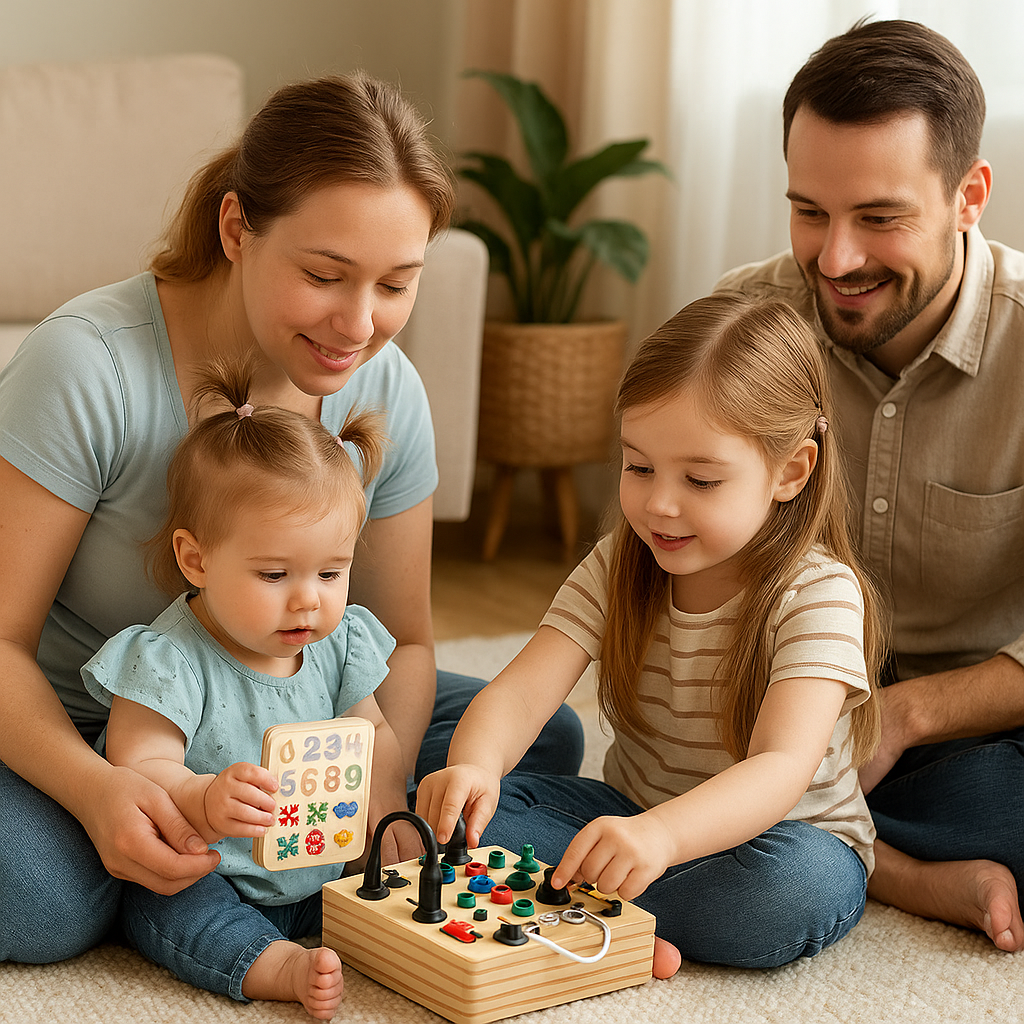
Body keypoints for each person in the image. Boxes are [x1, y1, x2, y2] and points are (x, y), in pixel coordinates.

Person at [0, 71, 582, 965]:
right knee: (40, 904)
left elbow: (404, 639)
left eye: (396, 284)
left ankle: (200, 873)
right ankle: (175, 867)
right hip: (87, 720)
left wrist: (382, 786)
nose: (358, 325)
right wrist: (96, 791)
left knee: (546, 735)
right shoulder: (88, 368)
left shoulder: (386, 390)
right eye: (323, 275)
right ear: (237, 228)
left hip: (292, 708)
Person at [417, 293, 884, 976]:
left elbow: (780, 768)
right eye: (639, 467)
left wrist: (664, 837)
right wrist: (476, 767)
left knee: (788, 893)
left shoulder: (820, 593)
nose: (659, 504)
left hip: (777, 840)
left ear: (791, 471)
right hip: (631, 813)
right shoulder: (619, 562)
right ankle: (622, 917)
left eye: (701, 479)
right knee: (460, 811)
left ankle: (597, 909)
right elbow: (520, 694)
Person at [716, 18, 1024, 952]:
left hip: (978, 726)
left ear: (969, 196)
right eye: (810, 212)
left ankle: (809, 825)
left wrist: (910, 713)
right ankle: (896, 865)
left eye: (880, 219)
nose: (837, 259)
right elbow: (666, 563)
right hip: (779, 710)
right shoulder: (737, 330)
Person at [83, 361, 401, 1017]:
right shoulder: (167, 659)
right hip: (213, 869)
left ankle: (370, 934)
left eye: (331, 573)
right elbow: (138, 768)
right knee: (169, 902)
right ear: (196, 559)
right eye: (275, 574)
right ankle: (272, 965)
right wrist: (201, 799)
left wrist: (384, 804)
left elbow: (372, 730)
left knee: (386, 894)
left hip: (319, 860)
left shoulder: (337, 643)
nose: (308, 601)